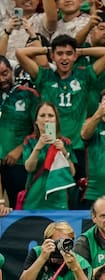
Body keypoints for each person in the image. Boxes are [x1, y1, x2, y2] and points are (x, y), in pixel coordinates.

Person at [15, 34, 105, 188]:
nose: (64, 58)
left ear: (75, 56)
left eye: (69, 54)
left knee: (76, 193)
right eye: (59, 54)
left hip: (77, 146)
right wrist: (48, 49)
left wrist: (79, 51)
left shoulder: (85, 75)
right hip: (50, 145)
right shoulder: (44, 76)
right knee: (50, 191)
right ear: (52, 56)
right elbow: (20, 53)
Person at [0, 55, 40, 209]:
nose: (2, 79)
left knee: (22, 206)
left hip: (21, 162)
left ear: (12, 71)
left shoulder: (29, 94)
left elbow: (44, 127)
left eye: (5, 73)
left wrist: (20, 148)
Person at [22, 102, 77, 210]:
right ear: (36, 121)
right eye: (42, 116)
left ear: (56, 120)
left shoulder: (65, 142)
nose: (46, 119)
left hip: (58, 198)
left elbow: (72, 173)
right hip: (35, 198)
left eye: (51, 116)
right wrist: (38, 147)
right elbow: (29, 168)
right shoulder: (30, 141)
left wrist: (64, 151)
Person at [20, 221, 92, 280]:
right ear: (47, 240)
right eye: (59, 241)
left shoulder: (80, 262)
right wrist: (42, 258)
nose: (63, 245)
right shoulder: (38, 252)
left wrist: (75, 268)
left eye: (66, 241)